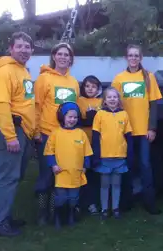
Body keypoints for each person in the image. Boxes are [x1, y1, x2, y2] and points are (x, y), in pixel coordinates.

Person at [0, 32, 35, 237]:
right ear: (11, 48)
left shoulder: (24, 71)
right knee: (7, 177)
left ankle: (4, 216)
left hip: (23, 131)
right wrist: (10, 136)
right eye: (20, 46)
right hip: (11, 131)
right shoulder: (4, 72)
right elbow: (1, 105)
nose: (24, 50)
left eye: (27, 46)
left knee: (14, 177)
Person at [112, 45, 162, 215]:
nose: (133, 58)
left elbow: (154, 104)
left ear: (140, 58)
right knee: (127, 166)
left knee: (145, 166)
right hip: (125, 131)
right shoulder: (119, 78)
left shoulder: (148, 77)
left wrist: (152, 128)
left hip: (143, 131)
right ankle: (127, 200)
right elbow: (113, 104)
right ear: (126, 58)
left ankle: (149, 202)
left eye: (136, 56)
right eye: (130, 55)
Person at [34, 42, 80, 225]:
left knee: (60, 176)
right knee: (46, 173)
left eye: (67, 55)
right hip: (47, 134)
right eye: (60, 54)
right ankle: (41, 213)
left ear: (71, 59)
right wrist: (36, 131)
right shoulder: (44, 79)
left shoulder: (74, 83)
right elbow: (36, 106)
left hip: (66, 136)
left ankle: (56, 212)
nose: (63, 57)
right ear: (54, 57)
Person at [44, 102, 93, 228]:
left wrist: (86, 166)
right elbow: (49, 152)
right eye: (70, 117)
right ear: (63, 117)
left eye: (75, 117)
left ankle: (71, 215)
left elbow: (87, 152)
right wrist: (53, 165)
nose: (73, 120)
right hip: (61, 173)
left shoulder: (81, 134)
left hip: (76, 173)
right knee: (61, 198)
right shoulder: (55, 134)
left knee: (73, 198)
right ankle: (58, 218)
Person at [92, 87, 132, 219]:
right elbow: (95, 137)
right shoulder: (100, 115)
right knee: (104, 184)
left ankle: (115, 208)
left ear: (118, 100)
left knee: (116, 184)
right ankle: (104, 208)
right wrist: (96, 155)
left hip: (119, 156)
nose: (112, 99)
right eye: (109, 97)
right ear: (105, 101)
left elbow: (128, 136)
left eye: (115, 97)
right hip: (104, 157)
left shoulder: (124, 114)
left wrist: (129, 154)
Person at [77, 75, 103, 216]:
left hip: (97, 142)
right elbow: (76, 119)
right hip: (82, 142)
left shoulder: (101, 101)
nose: (90, 89)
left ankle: (93, 202)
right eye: (87, 86)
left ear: (98, 88)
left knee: (94, 173)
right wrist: (87, 119)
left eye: (93, 86)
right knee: (82, 172)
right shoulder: (79, 100)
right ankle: (79, 202)